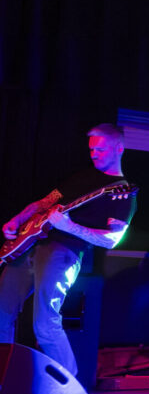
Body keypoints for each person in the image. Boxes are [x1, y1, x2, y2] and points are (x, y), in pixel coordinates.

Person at [0, 123, 137, 376]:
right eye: (91, 149)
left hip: (62, 251)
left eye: (100, 150)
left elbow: (112, 240)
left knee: (45, 324)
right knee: (1, 313)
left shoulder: (123, 193)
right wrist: (17, 220)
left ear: (119, 148)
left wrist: (69, 226)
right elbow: (44, 203)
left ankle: (69, 389)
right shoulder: (81, 177)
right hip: (29, 244)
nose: (94, 154)